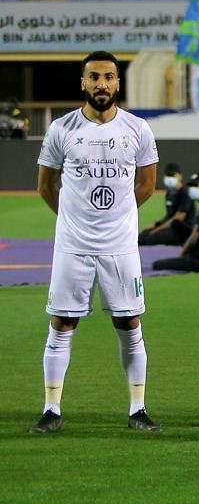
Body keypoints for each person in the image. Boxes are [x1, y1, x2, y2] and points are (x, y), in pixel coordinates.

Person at [29, 51, 162, 434]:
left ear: (118, 83)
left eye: (108, 77)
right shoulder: (62, 129)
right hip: (73, 245)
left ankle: (138, 408)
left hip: (120, 247)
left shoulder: (138, 129)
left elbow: (147, 185)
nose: (101, 84)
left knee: (129, 321)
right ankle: (51, 409)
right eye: (93, 77)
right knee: (61, 323)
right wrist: (76, 219)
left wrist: (115, 217)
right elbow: (45, 185)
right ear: (83, 83)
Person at [139, 162, 194, 246]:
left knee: (149, 239)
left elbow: (178, 218)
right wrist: (156, 225)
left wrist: (158, 229)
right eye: (168, 175)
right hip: (170, 227)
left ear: (180, 176)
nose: (170, 178)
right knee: (143, 235)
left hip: (181, 230)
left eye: (172, 175)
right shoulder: (169, 193)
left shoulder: (185, 193)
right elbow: (169, 215)